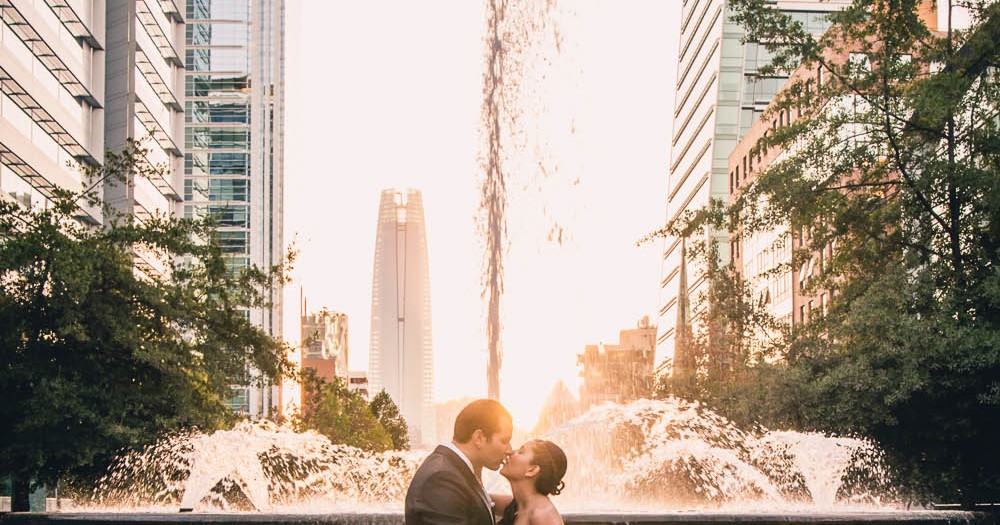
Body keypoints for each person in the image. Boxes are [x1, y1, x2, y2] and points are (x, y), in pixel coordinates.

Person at [405, 398, 514, 525]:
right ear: (479, 438)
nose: (510, 450)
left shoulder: (458, 470)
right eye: (504, 441)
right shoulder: (441, 479)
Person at [494, 439, 568, 525]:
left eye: (520, 452)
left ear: (532, 470)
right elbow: (480, 497)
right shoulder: (519, 504)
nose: (511, 452)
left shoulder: (542, 514)